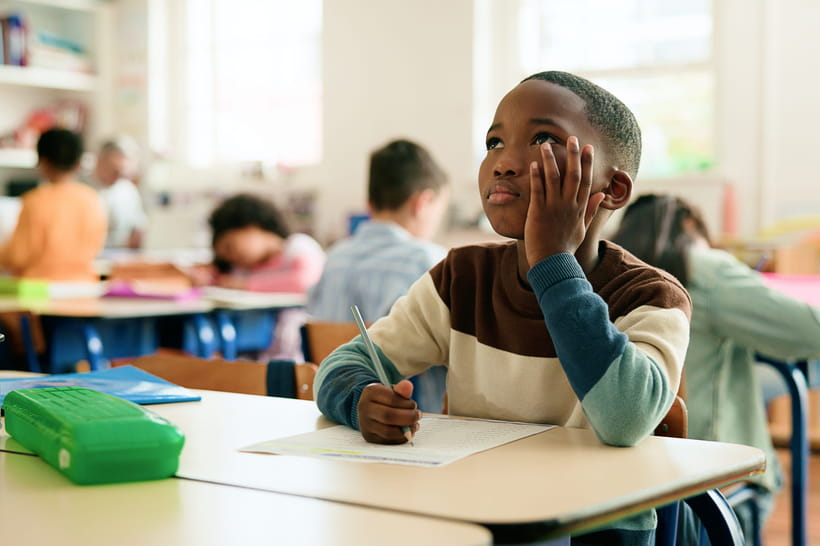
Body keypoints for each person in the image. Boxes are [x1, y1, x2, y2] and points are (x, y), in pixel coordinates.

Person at [314, 71, 691, 545]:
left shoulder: (650, 295)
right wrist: (361, 400)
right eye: (494, 142)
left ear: (613, 189)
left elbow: (625, 418)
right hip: (477, 520)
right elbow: (340, 367)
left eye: (543, 139)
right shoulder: (462, 278)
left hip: (591, 532)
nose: (504, 163)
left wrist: (552, 263)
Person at [610, 193, 820, 541]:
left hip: (629, 479)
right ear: (691, 226)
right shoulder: (705, 269)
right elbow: (812, 331)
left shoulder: (609, 272)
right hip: (707, 482)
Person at [307, 138, 450, 412]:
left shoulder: (335, 257)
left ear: (369, 203)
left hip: (339, 408)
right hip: (411, 417)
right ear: (422, 203)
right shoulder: (431, 261)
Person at [188, 193, 326, 361]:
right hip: (263, 354)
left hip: (302, 351)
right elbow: (220, 280)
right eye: (226, 258)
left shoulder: (298, 246)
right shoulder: (243, 269)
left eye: (230, 247)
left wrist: (245, 285)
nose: (233, 258)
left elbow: (304, 282)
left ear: (251, 225)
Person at [0, 128, 107, 281]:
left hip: (39, 287)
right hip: (83, 284)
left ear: (42, 162)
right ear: (78, 163)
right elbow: (97, 247)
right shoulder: (92, 199)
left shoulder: (34, 201)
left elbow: (18, 255)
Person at [94, 136, 147, 250]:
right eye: (115, 171)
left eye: (123, 173)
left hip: (122, 254)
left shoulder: (128, 190)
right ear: (100, 161)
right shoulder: (81, 189)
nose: (118, 177)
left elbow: (138, 226)